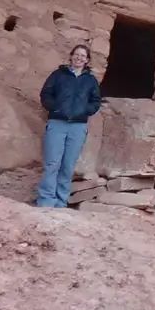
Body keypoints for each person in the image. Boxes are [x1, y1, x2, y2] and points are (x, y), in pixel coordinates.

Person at [34, 44, 102, 208]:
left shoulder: (90, 80)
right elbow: (46, 94)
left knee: (68, 164)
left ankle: (60, 201)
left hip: (78, 126)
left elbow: (96, 101)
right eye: (77, 54)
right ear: (71, 56)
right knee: (52, 163)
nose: (79, 58)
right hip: (57, 123)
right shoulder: (58, 75)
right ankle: (46, 200)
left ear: (87, 60)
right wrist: (55, 107)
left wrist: (85, 111)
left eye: (83, 56)